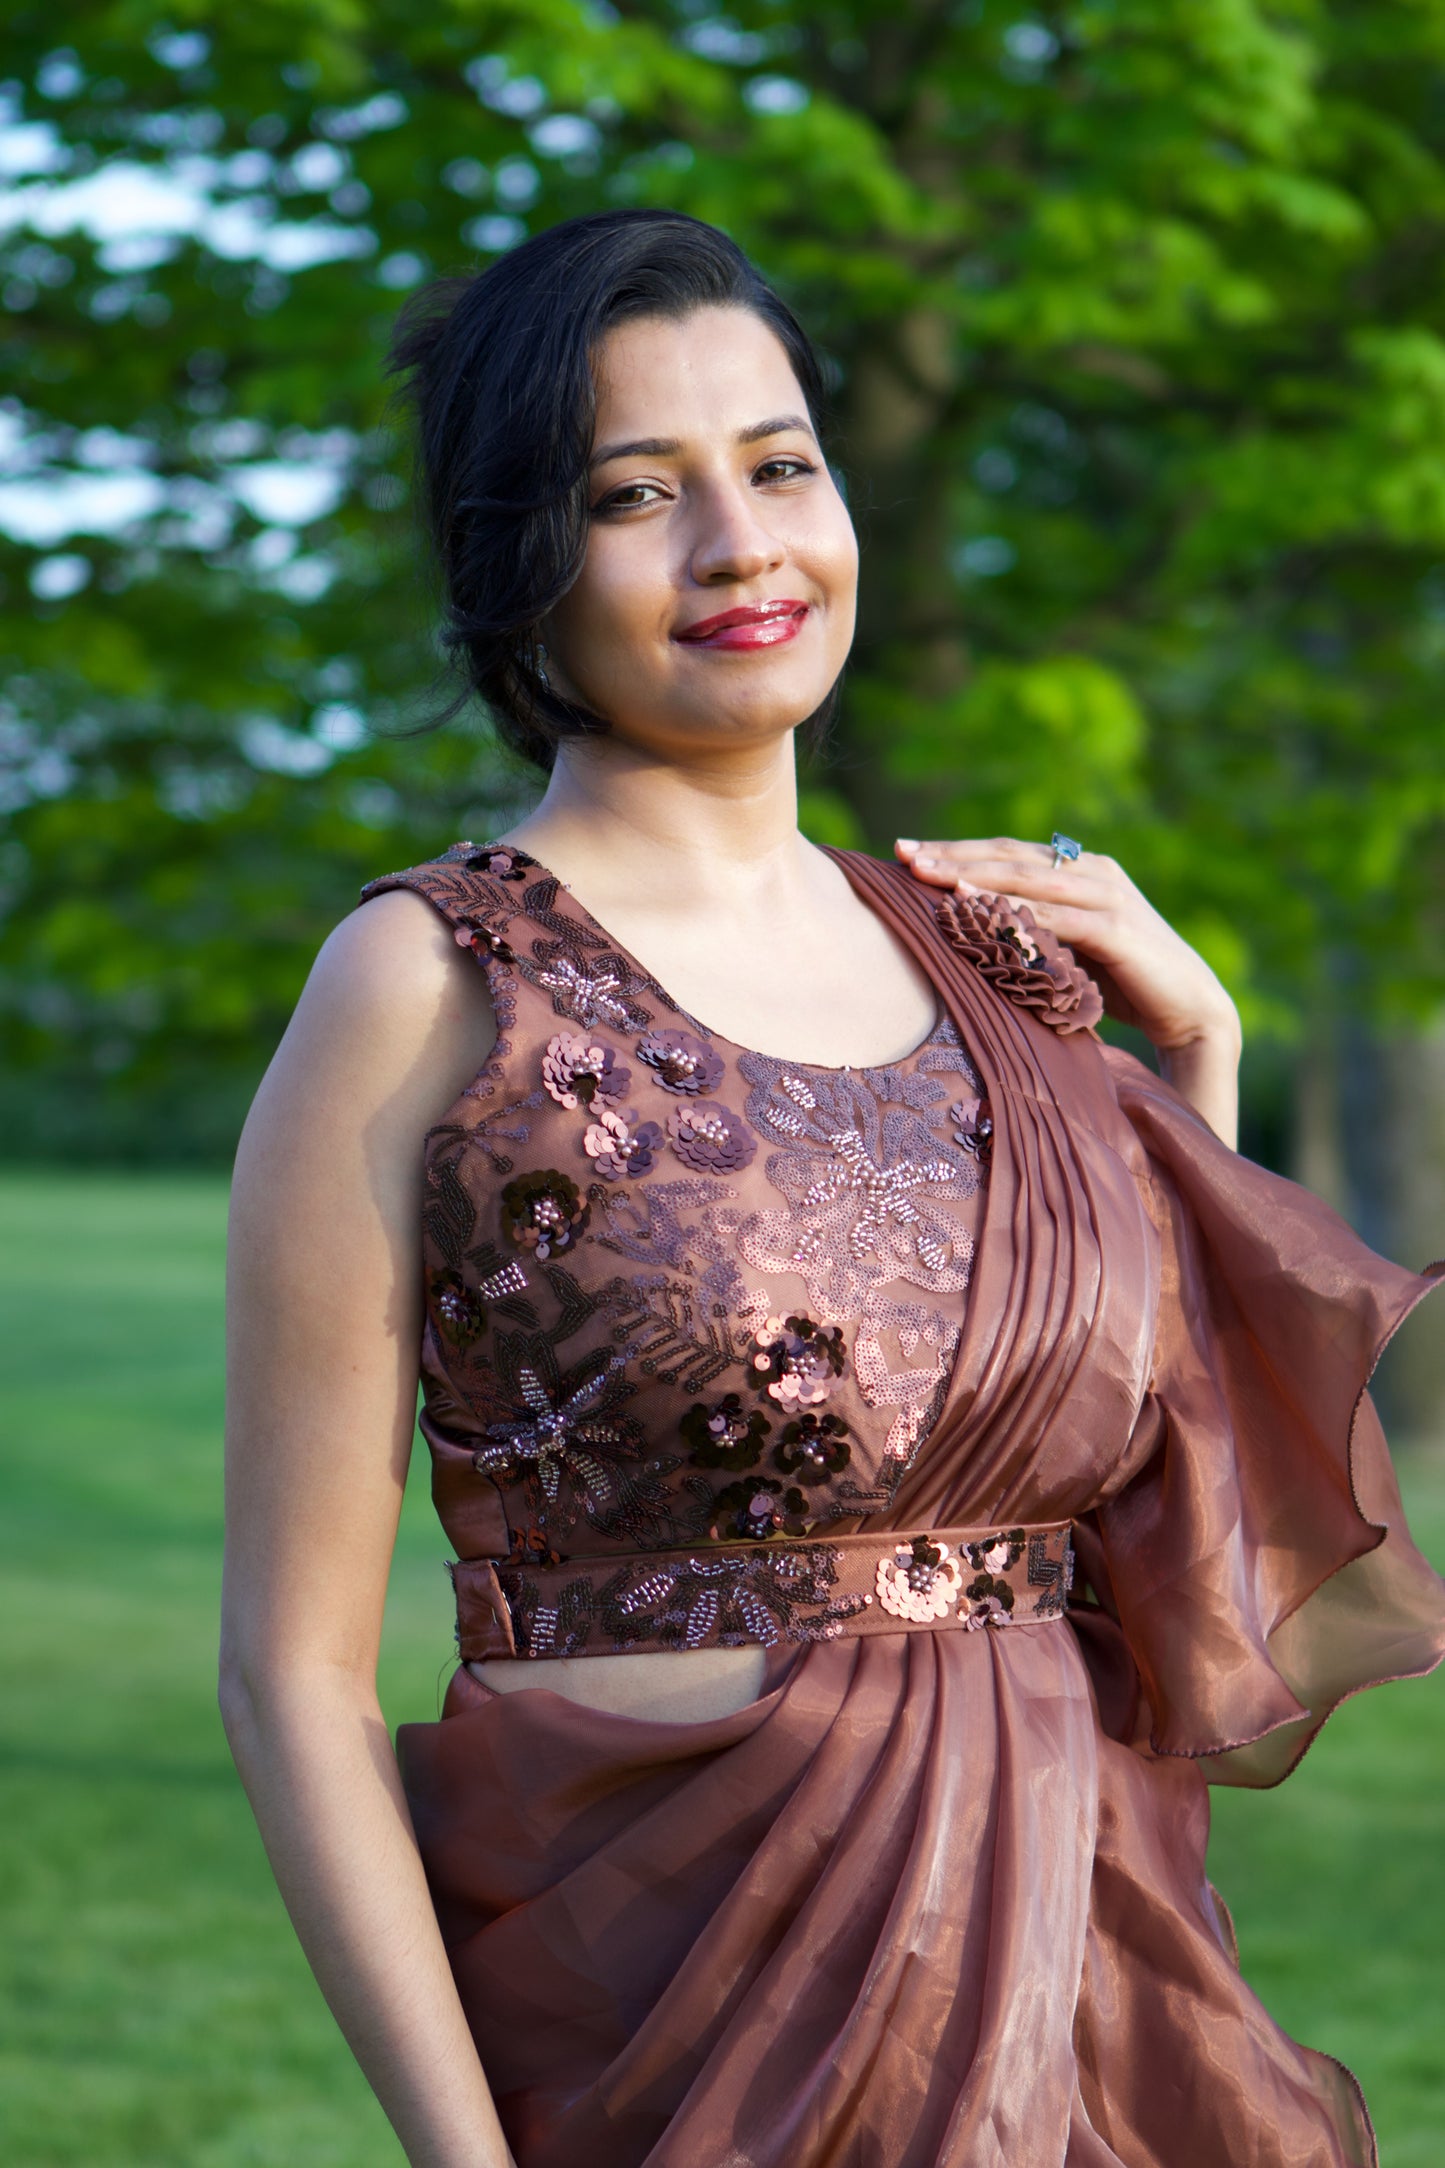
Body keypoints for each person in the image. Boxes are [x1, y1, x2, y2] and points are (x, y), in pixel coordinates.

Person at [220, 209, 1445, 2168]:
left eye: (781, 464)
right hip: (655, 2022)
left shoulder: (991, 961)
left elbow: (1184, 1584)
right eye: (641, 494)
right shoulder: (429, 982)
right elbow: (291, 1669)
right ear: (513, 558)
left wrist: (1187, 1072)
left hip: (1068, 1992)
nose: (742, 546)